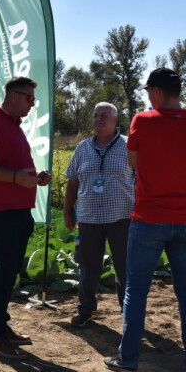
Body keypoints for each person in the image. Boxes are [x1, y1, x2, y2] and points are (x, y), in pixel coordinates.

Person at [103, 68, 186, 372]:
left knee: (137, 289)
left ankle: (129, 361)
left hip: (149, 218)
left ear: (158, 92)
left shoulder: (142, 120)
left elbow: (133, 162)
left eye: (149, 91)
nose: (147, 96)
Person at [0, 76, 52, 360]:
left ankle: (2, 328)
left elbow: (13, 167)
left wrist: (33, 177)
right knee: (3, 269)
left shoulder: (14, 126)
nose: (33, 104)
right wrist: (16, 178)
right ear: (14, 96)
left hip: (18, 210)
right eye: (30, 98)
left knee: (11, 269)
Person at [63, 102, 134, 327]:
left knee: (125, 268)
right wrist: (67, 210)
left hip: (121, 216)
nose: (98, 119)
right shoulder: (83, 148)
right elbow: (73, 182)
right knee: (88, 266)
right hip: (88, 217)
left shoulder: (129, 146)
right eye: (95, 116)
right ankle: (85, 309)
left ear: (115, 120)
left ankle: (128, 312)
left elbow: (142, 180)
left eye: (104, 115)